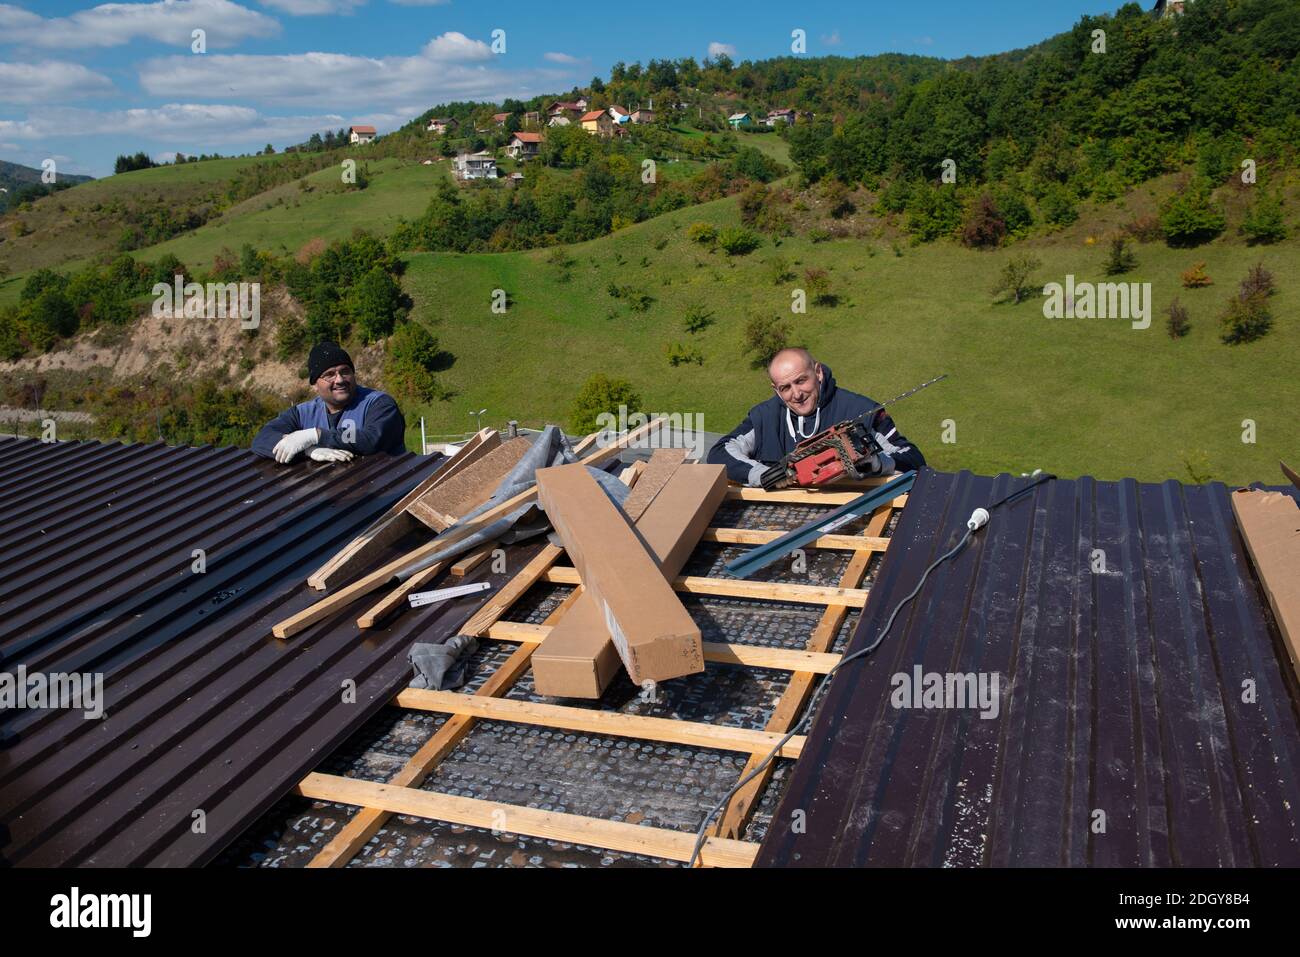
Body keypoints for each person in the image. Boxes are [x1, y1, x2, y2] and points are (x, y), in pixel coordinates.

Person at [707, 347, 926, 486]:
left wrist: (878, 463)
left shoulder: (862, 410)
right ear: (776, 390)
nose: (796, 394)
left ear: (818, 372)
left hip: (855, 514)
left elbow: (914, 459)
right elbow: (719, 453)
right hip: (787, 519)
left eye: (801, 381)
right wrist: (765, 475)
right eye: (785, 388)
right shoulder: (765, 416)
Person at [252, 341, 406, 463]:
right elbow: (262, 439)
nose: (339, 380)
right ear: (314, 385)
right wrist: (308, 450)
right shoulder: (302, 413)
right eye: (329, 374)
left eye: (345, 371)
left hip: (390, 488)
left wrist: (316, 436)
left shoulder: (379, 404)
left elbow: (371, 439)